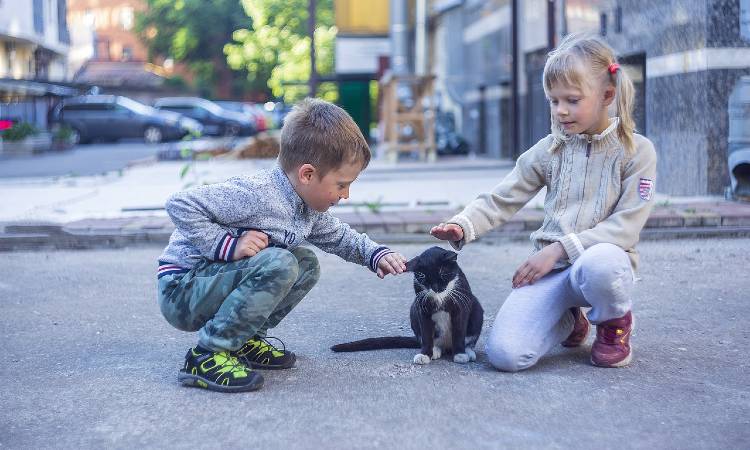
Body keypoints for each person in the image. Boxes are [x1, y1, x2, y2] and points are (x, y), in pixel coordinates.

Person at [431, 33, 657, 371]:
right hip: (553, 273)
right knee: (506, 355)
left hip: (601, 268)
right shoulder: (550, 149)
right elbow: (502, 198)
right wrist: (462, 224)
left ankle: (613, 323)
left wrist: (558, 249)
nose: (561, 111)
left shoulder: (636, 151)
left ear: (607, 95)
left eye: (572, 100)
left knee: (602, 264)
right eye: (554, 101)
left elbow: (626, 226)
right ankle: (568, 319)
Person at [157, 98, 407, 392]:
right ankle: (207, 354)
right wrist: (227, 244)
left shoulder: (306, 208)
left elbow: (340, 237)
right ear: (307, 174)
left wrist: (375, 255)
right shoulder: (258, 194)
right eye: (341, 184)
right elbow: (180, 204)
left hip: (208, 285)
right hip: (182, 289)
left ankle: (243, 339)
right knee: (281, 263)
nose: (346, 194)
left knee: (305, 263)